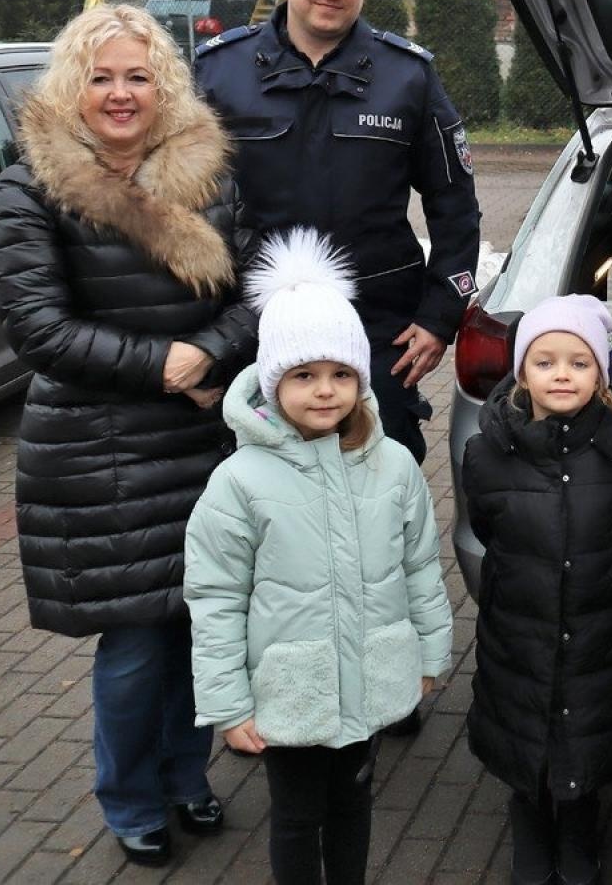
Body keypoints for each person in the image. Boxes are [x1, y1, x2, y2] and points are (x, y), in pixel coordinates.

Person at [0, 4, 257, 867]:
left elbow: (253, 295)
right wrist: (166, 364)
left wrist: (209, 350)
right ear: (73, 85)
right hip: (99, 447)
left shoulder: (211, 174)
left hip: (201, 440)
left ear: (163, 83)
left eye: (139, 75)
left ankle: (184, 776)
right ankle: (131, 797)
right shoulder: (30, 189)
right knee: (137, 638)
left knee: (192, 626)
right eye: (101, 77)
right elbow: (38, 329)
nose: (121, 93)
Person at [183, 229, 454, 885]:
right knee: (298, 815)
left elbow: (420, 564)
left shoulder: (390, 466)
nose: (325, 391)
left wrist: (428, 653)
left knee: (355, 803)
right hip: (289, 689)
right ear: (273, 381)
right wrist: (230, 702)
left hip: (370, 674)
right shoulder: (240, 481)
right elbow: (216, 597)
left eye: (340, 374)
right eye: (303, 375)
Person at [195, 0, 481, 466]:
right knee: (255, 479)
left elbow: (455, 204)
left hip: (376, 328)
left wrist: (439, 316)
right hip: (249, 321)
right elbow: (178, 204)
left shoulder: (408, 76)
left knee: (381, 474)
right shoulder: (218, 73)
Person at [461, 295, 612, 885]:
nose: (562, 374)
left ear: (601, 373)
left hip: (596, 620)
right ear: (522, 372)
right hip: (520, 618)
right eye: (545, 362)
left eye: (579, 362)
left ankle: (578, 825)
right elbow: (488, 524)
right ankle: (529, 819)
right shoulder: (488, 451)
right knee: (523, 723)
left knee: (584, 726)